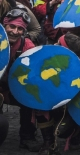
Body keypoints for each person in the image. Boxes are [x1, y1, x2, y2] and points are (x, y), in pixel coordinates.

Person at [0, 10, 42, 152]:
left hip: (16, 88)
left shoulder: (27, 45)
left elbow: (36, 70)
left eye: (20, 28)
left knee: (30, 98)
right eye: (11, 26)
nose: (15, 31)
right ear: (4, 26)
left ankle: (27, 136)